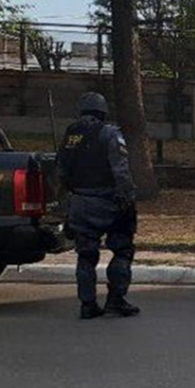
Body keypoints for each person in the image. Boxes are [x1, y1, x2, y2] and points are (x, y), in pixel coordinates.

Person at [57, 92, 140, 320]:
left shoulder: (70, 135)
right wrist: (128, 199)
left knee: (85, 255)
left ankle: (87, 304)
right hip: (109, 202)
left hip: (80, 203)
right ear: (102, 111)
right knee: (122, 250)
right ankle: (116, 300)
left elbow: (61, 171)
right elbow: (120, 169)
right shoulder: (109, 133)